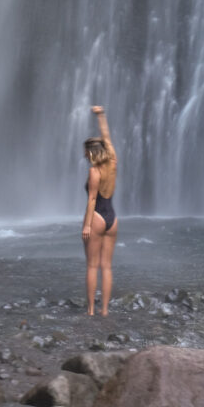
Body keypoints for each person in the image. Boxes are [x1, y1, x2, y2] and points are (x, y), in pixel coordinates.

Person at [82, 104, 118, 316]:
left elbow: (92, 199)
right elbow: (106, 135)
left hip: (96, 218)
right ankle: (105, 310)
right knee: (107, 267)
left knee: (92, 266)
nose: (85, 156)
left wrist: (86, 225)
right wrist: (101, 114)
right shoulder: (113, 160)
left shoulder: (94, 172)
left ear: (91, 153)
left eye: (86, 153)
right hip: (113, 218)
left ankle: (91, 310)